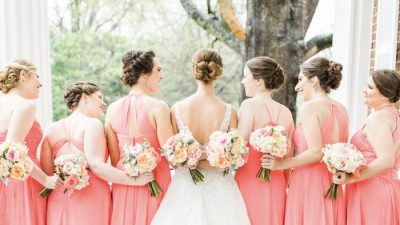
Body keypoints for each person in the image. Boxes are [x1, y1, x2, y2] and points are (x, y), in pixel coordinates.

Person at [151, 48, 250, 225]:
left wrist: (194, 156)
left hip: (185, 186)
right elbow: (233, 157)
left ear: (194, 71)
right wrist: (211, 155)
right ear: (218, 73)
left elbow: (173, 159)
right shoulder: (229, 111)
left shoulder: (177, 109)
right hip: (221, 188)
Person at [41, 81, 154, 225]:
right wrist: (134, 181)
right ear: (85, 97)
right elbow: (97, 165)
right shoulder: (92, 124)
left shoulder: (51, 128)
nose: (103, 103)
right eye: (99, 97)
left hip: (58, 198)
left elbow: (47, 171)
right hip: (90, 196)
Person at [263, 57, 347, 225]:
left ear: (314, 80)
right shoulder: (342, 109)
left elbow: (316, 151)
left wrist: (280, 165)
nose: (296, 86)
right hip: (332, 182)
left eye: (301, 79)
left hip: (309, 182)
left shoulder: (309, 108)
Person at [105, 50, 173, 225]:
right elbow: (171, 153)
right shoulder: (159, 107)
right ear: (144, 73)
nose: (161, 76)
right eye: (158, 70)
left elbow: (114, 159)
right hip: (155, 177)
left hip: (125, 181)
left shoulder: (111, 109)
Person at [334, 69, 400, 225]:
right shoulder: (395, 116)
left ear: (385, 94)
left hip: (371, 191)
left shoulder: (378, 118)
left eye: (370, 87)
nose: (364, 90)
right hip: (388, 188)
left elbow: (386, 160)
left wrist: (351, 177)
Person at [235, 56, 294, 225]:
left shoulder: (249, 105)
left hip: (249, 180)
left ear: (259, 80)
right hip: (277, 183)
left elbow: (240, 146)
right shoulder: (286, 112)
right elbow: (288, 158)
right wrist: (283, 183)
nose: (243, 81)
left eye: (246, 76)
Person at [0, 60, 60, 225]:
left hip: (5, 180)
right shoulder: (25, 106)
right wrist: (45, 180)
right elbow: (12, 151)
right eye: (37, 76)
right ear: (24, 75)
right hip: (24, 181)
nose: (40, 83)